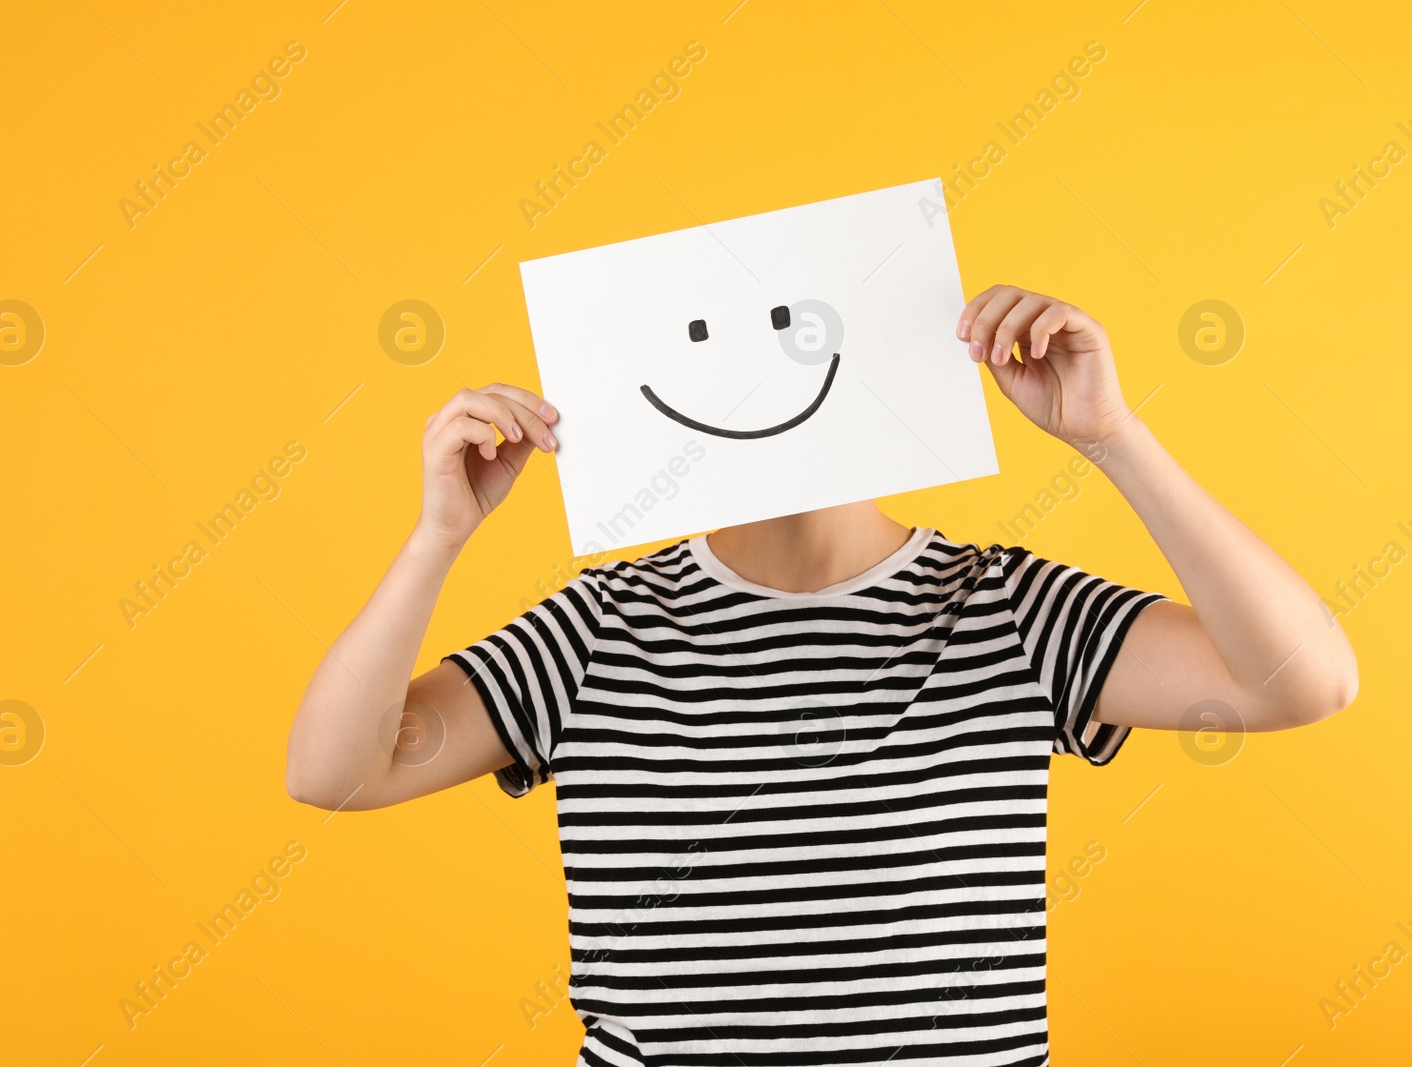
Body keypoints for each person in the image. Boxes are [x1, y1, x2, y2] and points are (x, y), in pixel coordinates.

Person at [285, 285, 1358, 1066]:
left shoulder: (1007, 609)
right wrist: (437, 536)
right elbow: (335, 769)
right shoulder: (597, 628)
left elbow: (1300, 681)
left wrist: (1114, 437)